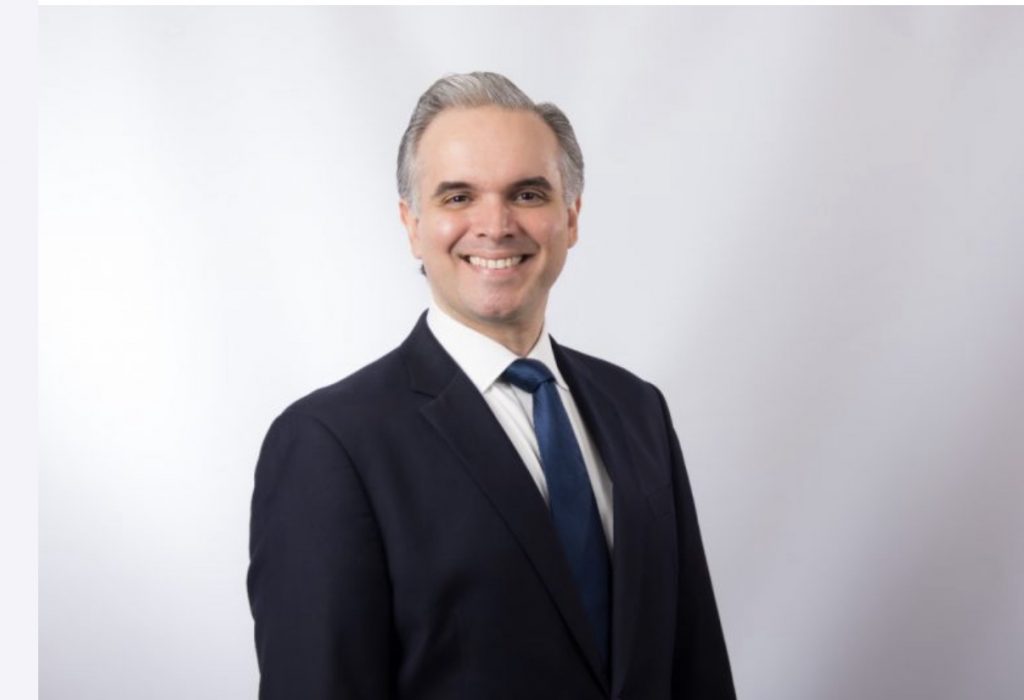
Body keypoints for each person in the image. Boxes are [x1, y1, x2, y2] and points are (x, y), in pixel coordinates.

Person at [247, 71, 735, 700]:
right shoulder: (330, 443)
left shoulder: (637, 408)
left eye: (527, 194)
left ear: (571, 217)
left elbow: (695, 664)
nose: (496, 224)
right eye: (458, 197)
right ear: (411, 224)